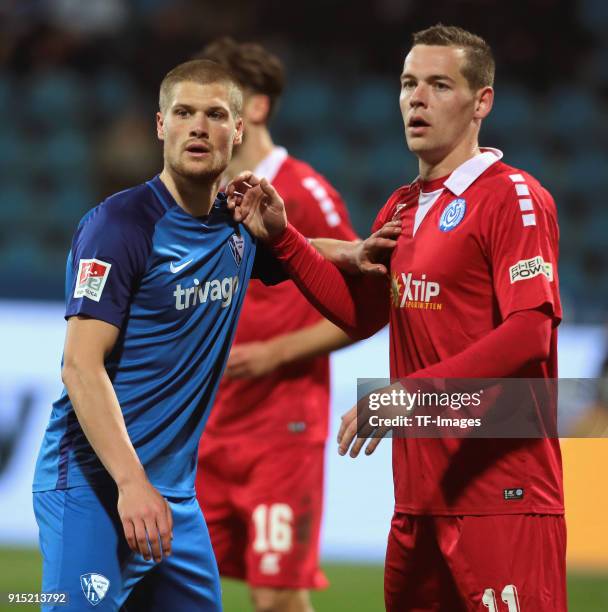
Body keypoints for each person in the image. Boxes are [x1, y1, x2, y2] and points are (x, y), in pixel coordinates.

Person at [227, 24, 565, 611]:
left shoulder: (513, 197)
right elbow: (360, 316)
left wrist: (409, 396)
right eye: (409, 83)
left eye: (439, 85)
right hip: (418, 495)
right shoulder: (403, 206)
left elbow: (530, 334)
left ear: (481, 101)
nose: (417, 98)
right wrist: (284, 239)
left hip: (500, 493)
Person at [31, 59, 286, 611]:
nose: (198, 126)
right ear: (160, 126)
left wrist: (354, 253)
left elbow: (304, 257)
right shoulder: (119, 228)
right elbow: (80, 366)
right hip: (95, 485)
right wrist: (130, 484)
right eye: (184, 112)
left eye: (215, 114)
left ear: (238, 132)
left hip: (172, 497)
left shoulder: (235, 225)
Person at [193, 38, 357, 612]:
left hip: (282, 427)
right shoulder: (199, 196)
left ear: (255, 109)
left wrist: (275, 352)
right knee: (170, 587)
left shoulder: (304, 192)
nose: (202, 122)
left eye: (217, 108)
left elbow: (365, 310)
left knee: (276, 598)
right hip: (207, 429)